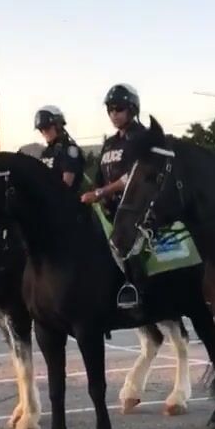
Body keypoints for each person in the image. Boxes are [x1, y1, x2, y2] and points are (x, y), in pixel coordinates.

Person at [81, 84, 147, 311]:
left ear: (132, 109)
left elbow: (135, 176)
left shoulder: (141, 137)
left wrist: (101, 192)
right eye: (110, 110)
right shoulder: (110, 143)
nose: (113, 114)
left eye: (119, 109)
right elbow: (99, 178)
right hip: (109, 208)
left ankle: (134, 287)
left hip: (134, 207)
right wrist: (94, 191)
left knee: (125, 242)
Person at [33, 106, 85, 193]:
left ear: (58, 126)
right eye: (41, 129)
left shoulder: (69, 150)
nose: (44, 132)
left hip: (65, 200)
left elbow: (66, 186)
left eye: (47, 128)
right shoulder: (46, 152)